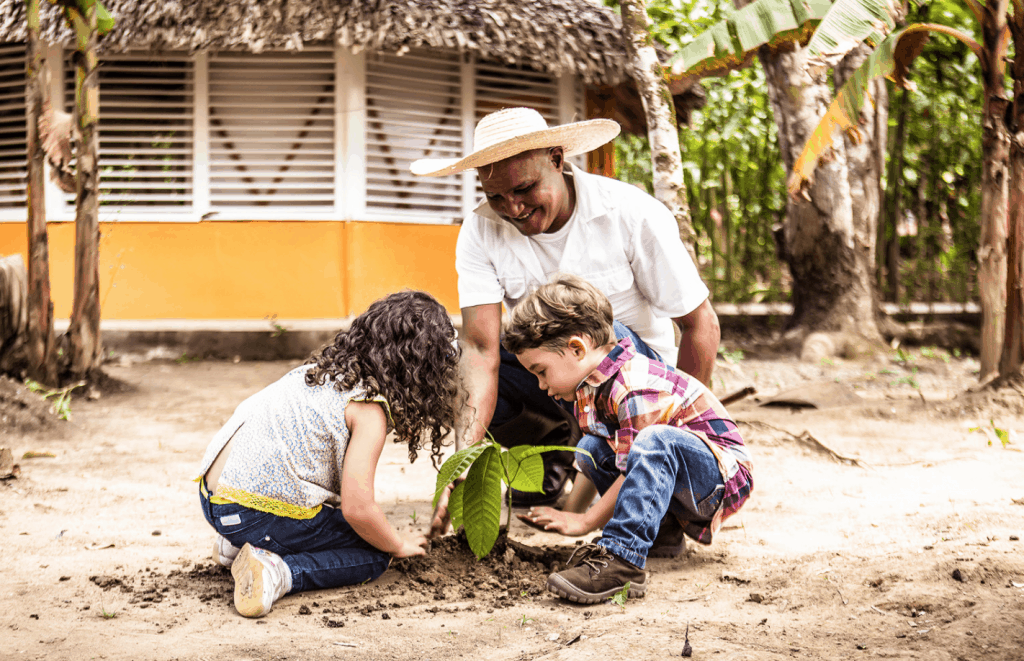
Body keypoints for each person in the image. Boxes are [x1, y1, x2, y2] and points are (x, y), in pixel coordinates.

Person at [412, 107, 721, 524]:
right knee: (455, 358)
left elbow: (700, 323)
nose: (514, 208)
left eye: (524, 188)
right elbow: (480, 351)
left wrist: (682, 430)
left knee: (609, 334)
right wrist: (461, 464)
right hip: (554, 380)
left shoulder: (629, 213)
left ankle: (639, 481)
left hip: (636, 391)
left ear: (556, 159)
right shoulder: (480, 231)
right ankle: (551, 461)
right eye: (496, 197)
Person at [194, 291, 461, 618]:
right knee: (372, 553)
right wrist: (396, 544)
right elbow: (359, 510)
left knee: (331, 515)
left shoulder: (320, 373)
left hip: (213, 500)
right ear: (421, 370)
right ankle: (278, 570)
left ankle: (236, 545)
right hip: (252, 512)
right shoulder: (369, 409)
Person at [501, 274, 752, 604]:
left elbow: (637, 464)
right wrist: (571, 516)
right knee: (592, 447)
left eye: (541, 371)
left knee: (654, 442)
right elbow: (603, 458)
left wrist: (586, 521)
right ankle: (662, 535)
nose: (539, 385)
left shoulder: (633, 387)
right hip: (683, 475)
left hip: (719, 478)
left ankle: (623, 560)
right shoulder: (592, 387)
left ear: (576, 348)